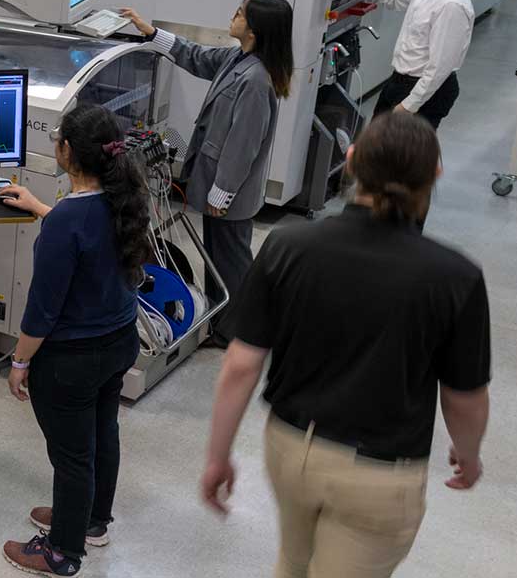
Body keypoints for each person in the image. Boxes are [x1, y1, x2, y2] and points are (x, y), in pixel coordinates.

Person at [200, 112, 491, 578]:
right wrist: (469, 453)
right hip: (379, 477)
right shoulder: (455, 277)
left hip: (291, 451)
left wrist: (218, 455)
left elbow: (240, 365)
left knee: (294, 562)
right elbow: (464, 397)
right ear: (434, 175)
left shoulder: (287, 246)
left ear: (351, 160)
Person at [0, 104, 155, 577]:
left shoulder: (68, 221)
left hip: (71, 361)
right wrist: (43, 208)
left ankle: (62, 552)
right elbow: (92, 243)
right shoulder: (125, 198)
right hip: (118, 343)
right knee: (103, 434)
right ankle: (91, 521)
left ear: (67, 152)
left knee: (71, 457)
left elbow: (42, 313)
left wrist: (20, 363)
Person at [120, 0, 294, 349]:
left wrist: (222, 191)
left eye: (240, 13)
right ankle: (224, 319)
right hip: (219, 183)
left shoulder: (257, 80)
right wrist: (152, 33)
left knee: (230, 261)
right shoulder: (238, 59)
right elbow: (197, 57)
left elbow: (242, 145)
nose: (233, 16)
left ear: (255, 30)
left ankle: (237, 331)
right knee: (219, 255)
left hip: (230, 190)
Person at [350, 0, 476, 129]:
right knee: (378, 149)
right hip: (400, 82)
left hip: (424, 91)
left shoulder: (451, 5)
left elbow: (439, 68)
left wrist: (409, 106)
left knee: (401, 156)